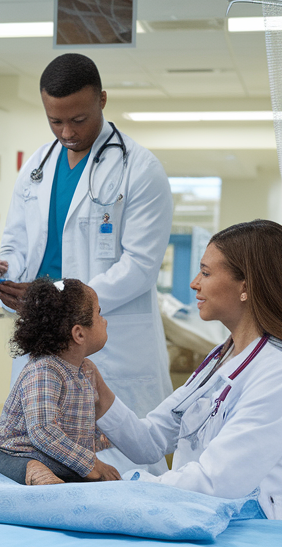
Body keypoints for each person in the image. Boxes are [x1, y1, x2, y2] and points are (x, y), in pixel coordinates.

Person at [0, 54, 174, 434]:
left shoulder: (139, 169)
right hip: (43, 333)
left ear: (102, 100)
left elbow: (139, 267)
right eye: (55, 121)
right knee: (40, 451)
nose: (67, 133)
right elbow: (16, 242)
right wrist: (3, 271)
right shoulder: (36, 167)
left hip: (110, 339)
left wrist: (56, 296)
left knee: (120, 465)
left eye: (78, 120)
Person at [90, 220, 282, 517]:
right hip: (197, 510)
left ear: (246, 285)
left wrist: (129, 486)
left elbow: (216, 481)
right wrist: (98, 391)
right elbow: (151, 439)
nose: (194, 283)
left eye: (205, 273)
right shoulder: (221, 358)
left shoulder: (275, 372)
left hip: (249, 524)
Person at [0, 277, 120, 485]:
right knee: (20, 460)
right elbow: (43, 431)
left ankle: (53, 472)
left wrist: (98, 454)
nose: (104, 320)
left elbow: (87, 421)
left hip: (56, 455)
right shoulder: (44, 370)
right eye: (98, 313)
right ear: (79, 334)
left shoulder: (87, 370)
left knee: (81, 474)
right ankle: (34, 471)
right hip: (14, 451)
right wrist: (92, 464)